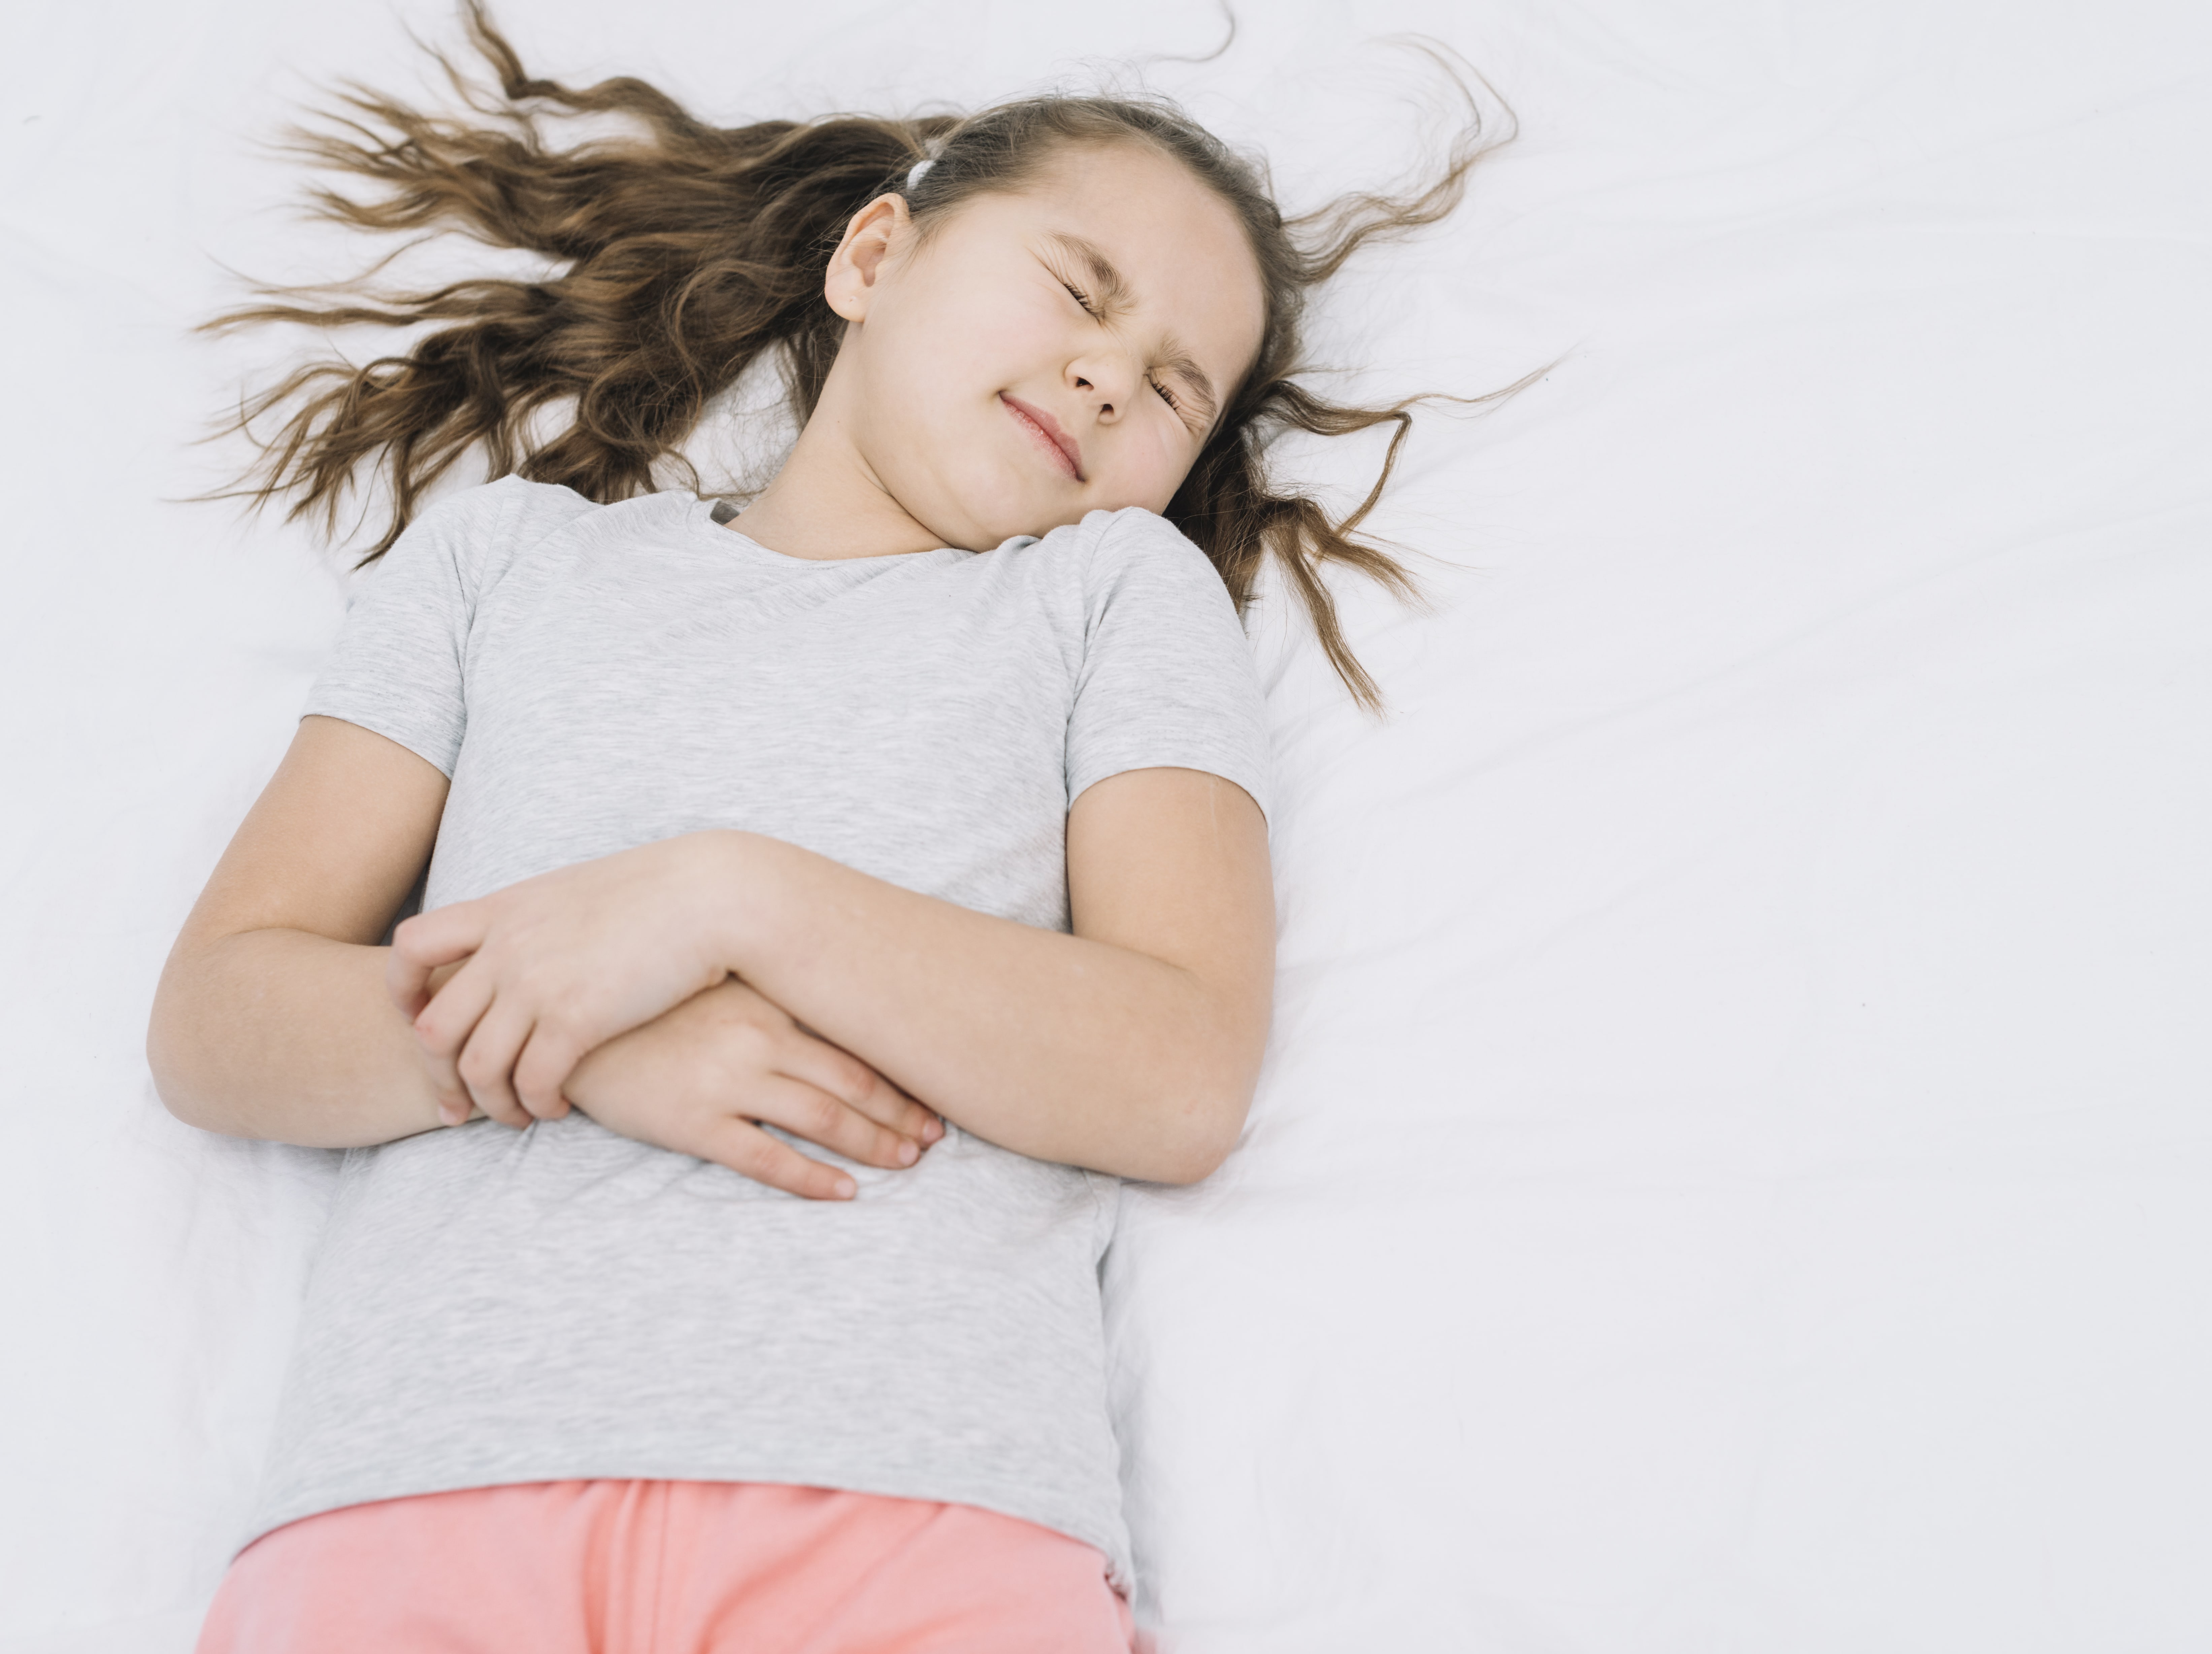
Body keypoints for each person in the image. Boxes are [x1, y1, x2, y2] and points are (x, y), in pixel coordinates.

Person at [147, 4, 1506, 1648]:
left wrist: (733, 898)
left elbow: (1176, 1074)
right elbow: (219, 1019)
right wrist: (586, 1048)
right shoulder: (505, 565)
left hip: (916, 1505)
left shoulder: (1112, 597)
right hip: (421, 1488)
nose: (1105, 373)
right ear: (876, 258)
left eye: (1170, 390)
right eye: (1080, 290)